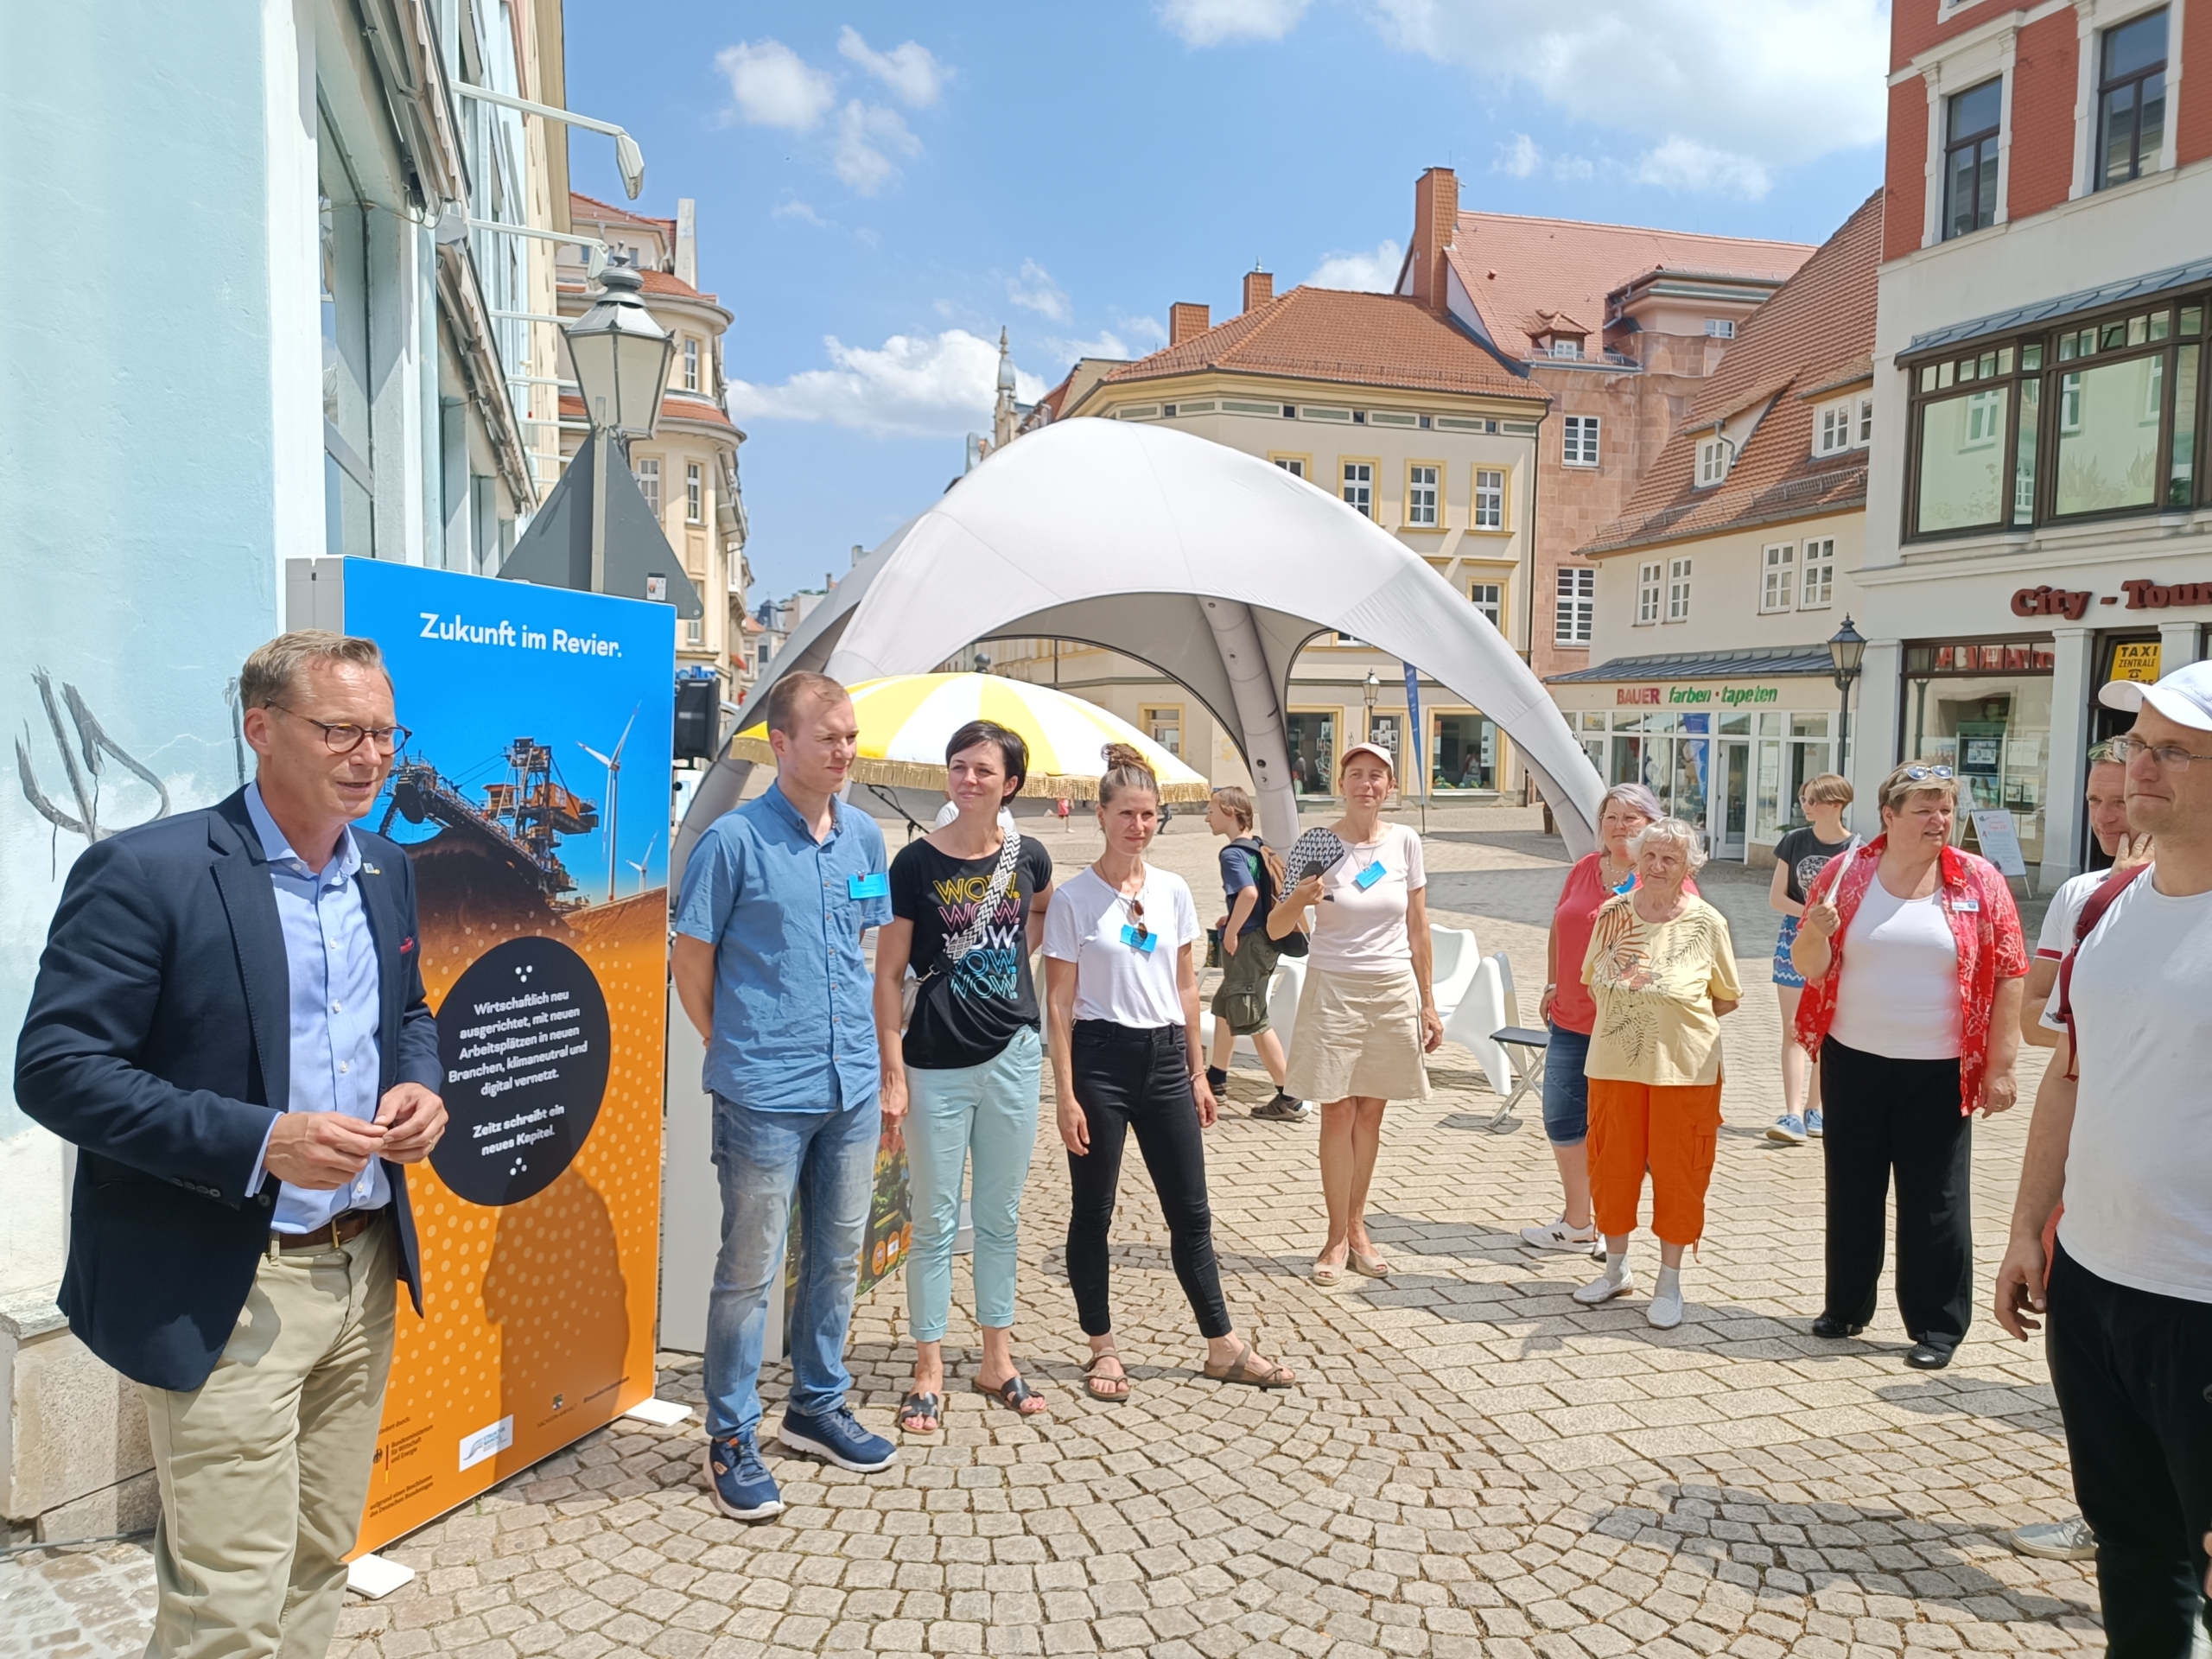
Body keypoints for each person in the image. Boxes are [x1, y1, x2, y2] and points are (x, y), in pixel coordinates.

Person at [14, 631, 447, 1659]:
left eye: (384, 733)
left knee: (316, 1555)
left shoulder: (383, 866)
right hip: (233, 1281)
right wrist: (262, 1141)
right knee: (228, 1606)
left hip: (365, 1264)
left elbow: (414, 1011)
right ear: (260, 730)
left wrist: (420, 1087)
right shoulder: (147, 872)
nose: (371, 756)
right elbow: (58, 1071)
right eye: (341, 729)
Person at [1993, 661, 2212, 1649]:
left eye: (2173, 751)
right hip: (2093, 1285)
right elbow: (2070, 1075)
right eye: (2135, 745)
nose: (2139, 771)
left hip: (2199, 1302)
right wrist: (2026, 1228)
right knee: (2134, 1549)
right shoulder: (2111, 907)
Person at [674, 671, 899, 1522]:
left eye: (850, 736)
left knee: (837, 1256)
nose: (846, 749)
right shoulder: (732, 843)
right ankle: (729, 1433)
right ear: (782, 744)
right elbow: (690, 965)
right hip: (764, 1092)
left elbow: (867, 949)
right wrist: (728, 1041)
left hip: (848, 1085)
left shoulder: (866, 840)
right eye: (830, 736)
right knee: (749, 1271)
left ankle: (815, 1405)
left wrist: (888, 1067)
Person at [1044, 744, 1294, 1400]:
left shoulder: (1173, 890)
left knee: (1191, 1213)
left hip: (1162, 1062)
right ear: (1100, 816)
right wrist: (1065, 1093)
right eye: (1126, 813)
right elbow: (1059, 1003)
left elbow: (1186, 989)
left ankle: (1222, 1345)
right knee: (1092, 1211)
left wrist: (1196, 1074)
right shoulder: (1074, 899)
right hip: (1099, 1061)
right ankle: (1102, 1347)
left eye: (1149, 814)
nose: (1138, 825)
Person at [1793, 760, 2025, 1371]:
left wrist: (2001, 1066)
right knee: (1852, 1187)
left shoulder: (1978, 879)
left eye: (1945, 808)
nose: (1939, 819)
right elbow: (1810, 963)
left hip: (1940, 1065)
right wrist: (1814, 931)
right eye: (1923, 809)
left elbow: (2009, 974)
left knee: (1936, 1200)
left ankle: (1937, 1325)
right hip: (1854, 1057)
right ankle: (1845, 1307)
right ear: (1889, 816)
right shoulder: (1848, 873)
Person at [874, 721, 1054, 1435]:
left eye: (983, 770)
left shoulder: (1029, 857)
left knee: (1001, 1219)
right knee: (934, 1222)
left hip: (1013, 1053)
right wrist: (892, 1068)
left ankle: (997, 1358)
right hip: (934, 1062)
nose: (968, 780)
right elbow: (889, 974)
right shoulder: (914, 865)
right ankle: (927, 1367)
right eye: (958, 767)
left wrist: (1012, 973)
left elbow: (1038, 912)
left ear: (1009, 783)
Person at [2002, 742, 2150, 1567]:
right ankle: (2105, 1515)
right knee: (2095, 1375)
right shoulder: (2086, 896)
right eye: (2096, 801)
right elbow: (2039, 1027)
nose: (2108, 817)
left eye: (2118, 799)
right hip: (2091, 1165)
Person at [1269, 741, 1444, 1288]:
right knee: (1337, 1113)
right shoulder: (1318, 846)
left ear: (1389, 787)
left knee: (1371, 1113)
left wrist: (1429, 1002)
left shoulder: (1406, 842)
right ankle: (1334, 1237)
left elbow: (1418, 928)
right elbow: (1276, 929)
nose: (1366, 784)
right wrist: (1300, 898)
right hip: (1333, 989)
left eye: (1377, 776)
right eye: (1356, 775)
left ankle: (1359, 1226)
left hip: (1392, 990)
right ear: (1339, 784)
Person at [1571, 818, 1740, 1330]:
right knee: (1611, 1166)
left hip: (1683, 1070)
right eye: (1650, 857)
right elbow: (1591, 980)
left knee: (1679, 1174)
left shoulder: (1707, 922)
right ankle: (1616, 1269)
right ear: (1636, 861)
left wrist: (1668, 1017)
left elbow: (1725, 998)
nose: (1659, 867)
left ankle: (1669, 1282)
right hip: (1613, 1065)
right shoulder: (1612, 914)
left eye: (1671, 859)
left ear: (1689, 866)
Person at [1520, 782, 1674, 1256]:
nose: (1620, 826)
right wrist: (1551, 983)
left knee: (1622, 1135)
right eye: (1612, 817)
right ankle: (1577, 1222)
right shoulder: (1587, 868)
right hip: (1570, 1020)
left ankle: (1616, 1230)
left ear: (1652, 825)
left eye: (1632, 818)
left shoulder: (1665, 876)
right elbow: (1559, 925)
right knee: (1563, 1123)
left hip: (1627, 1029)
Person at [1202, 785, 1306, 1122]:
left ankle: (1289, 1096)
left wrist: (1231, 931)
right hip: (1264, 938)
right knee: (1224, 1005)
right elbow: (1260, 896)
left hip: (1248, 944)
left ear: (1231, 812)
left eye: (1211, 810)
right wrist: (1231, 918)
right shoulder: (1259, 847)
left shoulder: (1231, 854)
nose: (1207, 817)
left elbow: (1247, 894)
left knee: (1253, 1017)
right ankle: (1216, 1078)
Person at [1765, 775, 1855, 1145]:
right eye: (1804, 798)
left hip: (1838, 943)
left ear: (1835, 804)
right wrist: (1811, 916)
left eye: (1813, 800)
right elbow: (1776, 897)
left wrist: (1828, 924)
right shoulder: (1794, 841)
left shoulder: (1856, 849)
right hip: (1794, 937)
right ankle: (1792, 1113)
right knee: (1792, 1027)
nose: (1806, 805)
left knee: (1825, 1028)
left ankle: (1816, 1108)